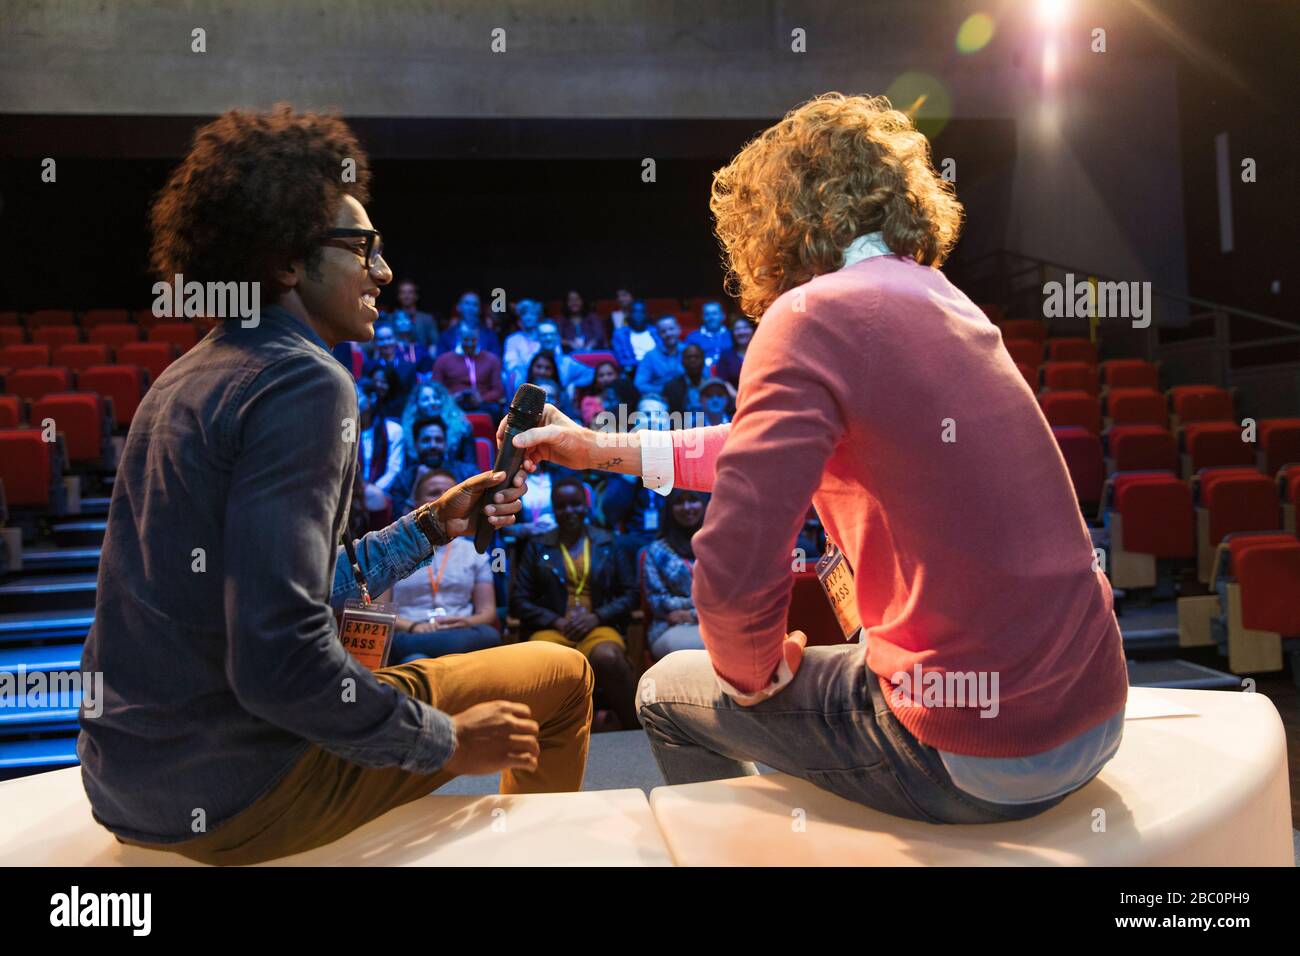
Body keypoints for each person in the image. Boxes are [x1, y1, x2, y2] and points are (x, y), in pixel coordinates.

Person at [510, 93, 1127, 827]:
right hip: (1092, 713)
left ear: (772, 222)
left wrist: (752, 675)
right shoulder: (945, 298)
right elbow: (750, 451)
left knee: (667, 691)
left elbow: (733, 572)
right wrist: (597, 447)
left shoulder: (809, 317)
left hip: (974, 753)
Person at [80, 106, 593, 867]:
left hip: (125, 781)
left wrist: (431, 525)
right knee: (562, 677)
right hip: (239, 792)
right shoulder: (305, 380)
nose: (383, 272)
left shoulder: (184, 376)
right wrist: (448, 743)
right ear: (287, 262)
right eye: (364, 248)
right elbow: (277, 658)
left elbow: (286, 592)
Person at [511, 476, 639, 730]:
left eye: (575, 504)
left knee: (608, 656)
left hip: (597, 626)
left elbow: (630, 594)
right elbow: (518, 600)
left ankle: (635, 728)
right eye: (562, 506)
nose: (569, 511)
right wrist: (555, 620)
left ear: (586, 506)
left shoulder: (607, 542)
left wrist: (597, 617)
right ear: (554, 509)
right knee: (542, 658)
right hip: (553, 628)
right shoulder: (537, 546)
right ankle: (545, 734)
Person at [380, 469, 502, 661]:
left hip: (459, 631)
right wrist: (414, 627)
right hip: (410, 632)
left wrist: (464, 621)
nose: (444, 499)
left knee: (489, 635)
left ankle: (424, 663)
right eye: (434, 493)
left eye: (450, 492)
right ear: (416, 505)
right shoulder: (392, 551)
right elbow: (380, 612)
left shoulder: (475, 553)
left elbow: (487, 612)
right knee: (394, 645)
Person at [643, 489, 710, 659]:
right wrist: (706, 606)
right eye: (679, 501)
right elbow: (658, 602)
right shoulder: (657, 551)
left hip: (718, 623)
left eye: (693, 500)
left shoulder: (719, 546)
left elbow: (730, 598)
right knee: (704, 650)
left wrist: (693, 613)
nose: (687, 507)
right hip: (670, 627)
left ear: (705, 503)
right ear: (670, 508)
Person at [387, 415, 479, 516]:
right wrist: (417, 483)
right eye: (426, 440)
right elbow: (401, 524)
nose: (433, 445)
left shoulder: (468, 473)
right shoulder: (403, 481)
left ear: (445, 444)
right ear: (416, 445)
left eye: (438, 440)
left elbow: (478, 513)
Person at [430, 321, 505, 420]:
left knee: (495, 410)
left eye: (473, 340)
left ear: (478, 338)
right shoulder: (443, 360)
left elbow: (498, 390)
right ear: (459, 338)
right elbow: (436, 389)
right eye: (466, 340)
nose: (469, 344)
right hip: (453, 403)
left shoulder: (491, 360)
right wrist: (452, 398)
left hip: (483, 404)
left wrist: (482, 399)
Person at [355, 376, 405, 510]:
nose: (351, 402)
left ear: (372, 398)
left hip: (382, 496)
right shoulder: (346, 428)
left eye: (356, 396)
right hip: (352, 496)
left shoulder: (393, 429)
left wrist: (372, 492)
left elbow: (394, 471)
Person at [401, 380, 474, 467]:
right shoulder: (407, 430)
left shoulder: (462, 428)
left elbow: (470, 464)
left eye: (436, 398)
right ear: (417, 404)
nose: (432, 402)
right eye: (425, 399)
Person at [363, 320, 417, 417]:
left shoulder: (409, 366)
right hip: (377, 415)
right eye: (381, 339)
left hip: (403, 415)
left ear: (396, 339)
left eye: (389, 338)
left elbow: (412, 395)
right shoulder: (369, 367)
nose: (386, 343)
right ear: (375, 343)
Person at [436, 291, 502, 356]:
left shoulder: (490, 336)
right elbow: (441, 362)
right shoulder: (447, 335)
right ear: (458, 307)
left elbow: (495, 362)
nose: (471, 308)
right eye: (467, 303)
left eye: (475, 305)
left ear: (479, 309)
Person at [576, 358, 637, 426]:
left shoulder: (627, 395)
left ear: (617, 376)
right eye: (601, 375)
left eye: (610, 374)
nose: (605, 378)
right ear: (596, 380)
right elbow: (595, 424)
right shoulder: (589, 401)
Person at [633, 316, 684, 397]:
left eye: (671, 329)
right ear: (658, 334)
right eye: (663, 331)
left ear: (679, 329)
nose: (668, 334)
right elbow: (639, 384)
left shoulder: (689, 351)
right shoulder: (650, 356)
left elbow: (705, 377)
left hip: (687, 396)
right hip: (660, 396)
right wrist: (664, 390)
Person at [386, 278, 438, 349]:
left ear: (416, 296)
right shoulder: (391, 318)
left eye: (410, 292)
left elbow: (436, 342)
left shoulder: (427, 319)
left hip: (422, 357)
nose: (406, 296)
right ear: (398, 296)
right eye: (403, 292)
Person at [662, 343, 708, 419]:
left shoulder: (713, 387)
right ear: (682, 362)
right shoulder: (671, 387)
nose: (692, 360)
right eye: (688, 357)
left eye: (696, 357)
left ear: (703, 361)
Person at [684, 300, 732, 372]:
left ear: (723, 316)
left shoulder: (732, 335)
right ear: (702, 317)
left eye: (714, 314)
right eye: (707, 314)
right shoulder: (692, 338)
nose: (711, 318)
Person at [611, 300, 658, 371]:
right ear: (629, 314)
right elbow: (621, 359)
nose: (638, 315)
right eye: (635, 311)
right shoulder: (620, 334)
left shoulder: (655, 331)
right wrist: (642, 364)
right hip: (633, 371)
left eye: (642, 312)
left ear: (646, 314)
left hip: (657, 368)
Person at [503, 297, 543, 381]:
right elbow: (510, 363)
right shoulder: (512, 340)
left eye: (532, 314)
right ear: (520, 318)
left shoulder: (546, 335)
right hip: (522, 378)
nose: (528, 317)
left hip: (544, 373)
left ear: (538, 317)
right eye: (525, 314)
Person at [713, 315, 753, 388]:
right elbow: (723, 381)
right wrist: (736, 396)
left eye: (745, 328)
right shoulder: (726, 355)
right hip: (733, 396)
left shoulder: (760, 353)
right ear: (733, 333)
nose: (741, 332)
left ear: (752, 331)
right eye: (737, 329)